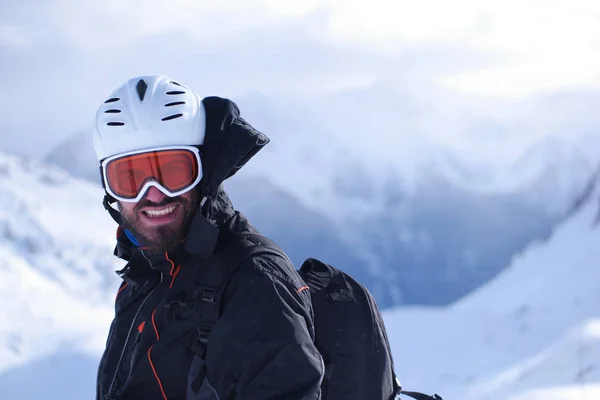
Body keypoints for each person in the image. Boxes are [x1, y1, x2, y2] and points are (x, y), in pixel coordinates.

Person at [93, 74, 324, 400]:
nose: (154, 195)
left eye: (173, 170)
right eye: (129, 178)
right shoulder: (147, 273)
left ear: (203, 169)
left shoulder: (253, 281)